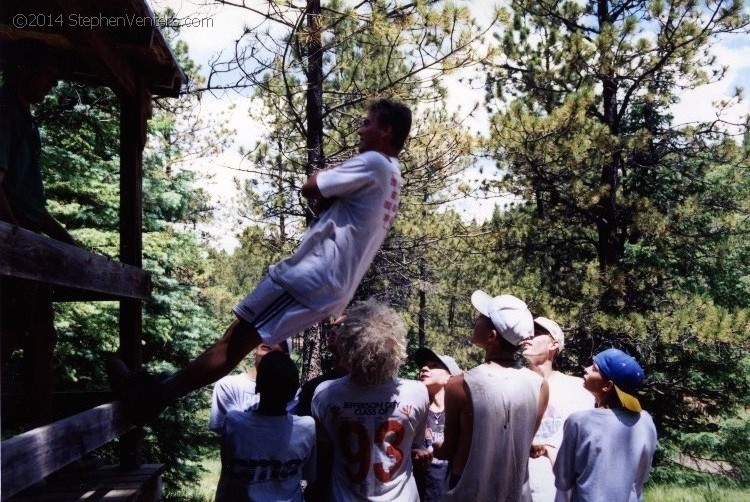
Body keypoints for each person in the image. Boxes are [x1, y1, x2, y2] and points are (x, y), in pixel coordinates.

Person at [108, 99, 412, 425]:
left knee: (234, 343)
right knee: (236, 340)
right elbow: (328, 204)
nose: (361, 128)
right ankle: (159, 387)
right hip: (330, 286)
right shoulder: (393, 175)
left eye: (367, 123)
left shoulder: (375, 163)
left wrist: (321, 181)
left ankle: (152, 397)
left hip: (310, 276)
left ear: (386, 130)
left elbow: (311, 186)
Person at [0, 57, 78, 426]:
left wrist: (67, 240)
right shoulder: (4, 112)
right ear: (27, 69)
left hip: (28, 246)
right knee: (10, 334)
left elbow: (32, 202)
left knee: (41, 338)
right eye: (49, 72)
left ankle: (42, 438)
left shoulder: (26, 120)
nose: (52, 83)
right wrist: (17, 239)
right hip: (13, 248)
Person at [311, 300, 430, 501]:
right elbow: (417, 444)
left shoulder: (325, 393)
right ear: (396, 344)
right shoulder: (417, 392)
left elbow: (324, 449)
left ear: (346, 344)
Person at [436, 291, 549, 502]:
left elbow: (448, 451)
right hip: (514, 491)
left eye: (481, 318)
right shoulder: (539, 385)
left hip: (467, 490)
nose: (475, 320)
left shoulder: (460, 384)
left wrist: (432, 446)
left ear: (492, 336)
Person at [553, 348, 657, 502]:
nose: (586, 368)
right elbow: (641, 477)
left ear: (607, 386)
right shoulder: (646, 421)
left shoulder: (579, 422)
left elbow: (563, 479)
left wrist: (549, 450)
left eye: (594, 368)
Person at [215, 351, 316, 501]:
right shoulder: (306, 428)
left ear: (258, 386)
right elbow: (309, 474)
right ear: (294, 392)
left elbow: (228, 466)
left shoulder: (234, 423)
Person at [523, 316, 594, 502]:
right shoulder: (511, 382)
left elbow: (583, 444)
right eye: (527, 333)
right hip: (514, 483)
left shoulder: (578, 388)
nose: (528, 338)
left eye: (536, 334)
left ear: (553, 345)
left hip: (556, 488)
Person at [294, 315, 349, 502]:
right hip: (321, 485)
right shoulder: (315, 388)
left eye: (341, 326)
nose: (333, 331)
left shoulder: (373, 388)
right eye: (332, 327)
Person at [209, 339, 291, 433]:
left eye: (278, 337)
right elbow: (229, 431)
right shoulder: (228, 385)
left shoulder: (291, 393)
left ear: (285, 356)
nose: (269, 339)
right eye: (266, 335)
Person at [412, 347, 461, 502]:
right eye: (423, 365)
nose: (424, 368)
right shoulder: (412, 411)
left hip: (452, 493)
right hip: (418, 493)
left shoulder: (461, 414)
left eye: (433, 365)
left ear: (450, 377)